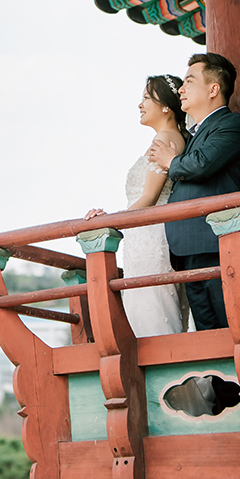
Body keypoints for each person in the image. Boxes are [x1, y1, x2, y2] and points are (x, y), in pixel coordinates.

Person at [149, 52, 240, 331]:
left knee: (233, 331)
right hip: (189, 249)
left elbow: (200, 165)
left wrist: (170, 162)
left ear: (213, 89)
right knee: (209, 338)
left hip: (220, 247)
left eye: (189, 81)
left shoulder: (231, 125)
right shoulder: (193, 133)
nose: (181, 89)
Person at [85, 74, 190, 336]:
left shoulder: (165, 139)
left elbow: (148, 199)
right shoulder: (170, 137)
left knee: (151, 312)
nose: (140, 105)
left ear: (166, 105)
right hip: (145, 238)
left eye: (145, 98)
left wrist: (108, 221)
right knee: (150, 309)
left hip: (151, 238)